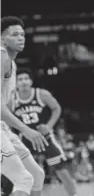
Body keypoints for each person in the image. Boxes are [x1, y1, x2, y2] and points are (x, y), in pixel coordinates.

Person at [11, 69, 78, 196]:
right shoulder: (12, 99)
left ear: (31, 81)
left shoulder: (41, 94)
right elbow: (7, 118)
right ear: (15, 82)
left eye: (26, 78)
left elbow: (56, 108)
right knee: (24, 174)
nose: (23, 81)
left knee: (62, 171)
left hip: (45, 138)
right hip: (25, 140)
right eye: (20, 79)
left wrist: (49, 125)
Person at [1, 16, 48, 196]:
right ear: (2, 38)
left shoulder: (11, 63)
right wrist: (27, 130)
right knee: (24, 179)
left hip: (2, 126)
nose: (21, 38)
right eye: (14, 35)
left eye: (22, 34)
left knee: (37, 174)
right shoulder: (2, 56)